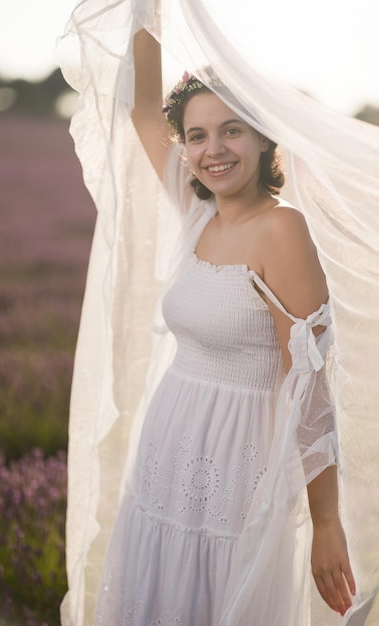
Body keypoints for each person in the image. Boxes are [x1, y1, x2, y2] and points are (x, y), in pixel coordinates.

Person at [90, 28, 356, 625]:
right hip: (170, 443)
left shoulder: (282, 231)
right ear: (184, 146)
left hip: (239, 462)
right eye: (197, 135)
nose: (214, 149)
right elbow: (139, 106)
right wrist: (145, 12)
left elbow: (309, 388)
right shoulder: (197, 211)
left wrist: (325, 522)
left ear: (263, 137)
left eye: (231, 129)